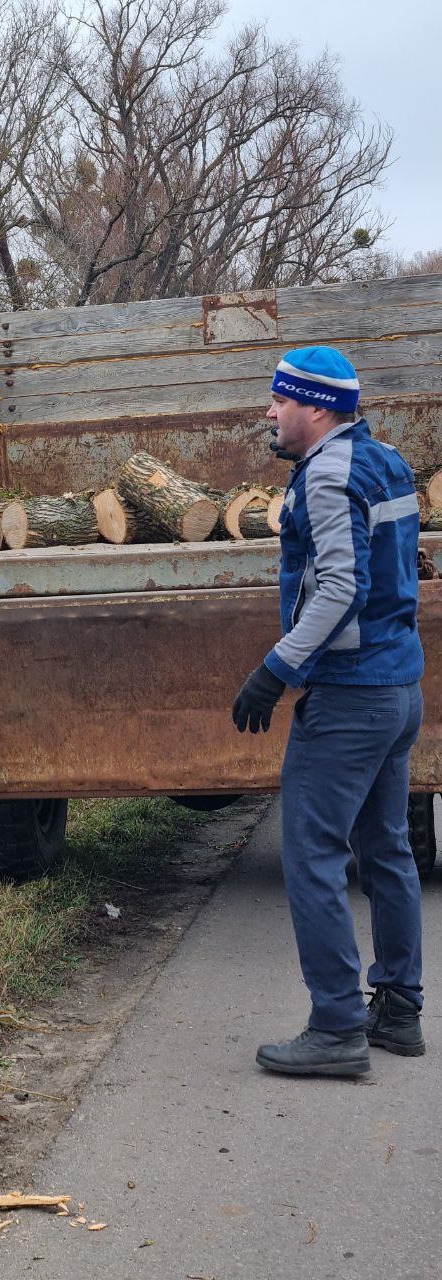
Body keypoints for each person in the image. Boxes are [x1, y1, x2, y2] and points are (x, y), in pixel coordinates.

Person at [231, 346, 424, 1078]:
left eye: (278, 401)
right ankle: (399, 1011)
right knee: (386, 850)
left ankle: (338, 1027)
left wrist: (275, 670)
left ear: (315, 407)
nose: (268, 413)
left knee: (311, 856)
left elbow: (340, 586)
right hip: (399, 688)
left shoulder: (330, 474)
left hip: (350, 694)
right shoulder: (386, 460)